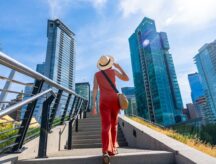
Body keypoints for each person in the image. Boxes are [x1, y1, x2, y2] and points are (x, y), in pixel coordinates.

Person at [91, 55, 129, 164]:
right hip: (114, 101)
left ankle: (105, 151)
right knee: (114, 125)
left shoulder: (97, 75)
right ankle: (112, 150)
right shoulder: (113, 72)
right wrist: (119, 67)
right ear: (109, 63)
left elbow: (95, 89)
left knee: (106, 126)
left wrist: (93, 105)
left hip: (104, 101)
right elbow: (126, 78)